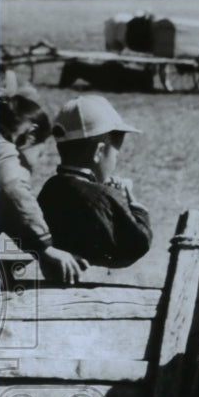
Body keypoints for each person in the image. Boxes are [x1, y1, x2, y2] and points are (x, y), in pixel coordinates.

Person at [37, 95, 153, 269]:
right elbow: (139, 244)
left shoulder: (50, 187)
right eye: (115, 154)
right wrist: (133, 204)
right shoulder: (105, 195)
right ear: (99, 152)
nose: (115, 160)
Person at [0, 90, 87, 284]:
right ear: (31, 133)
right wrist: (46, 247)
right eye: (40, 153)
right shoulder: (6, 152)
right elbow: (12, 188)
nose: (40, 160)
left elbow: (7, 208)